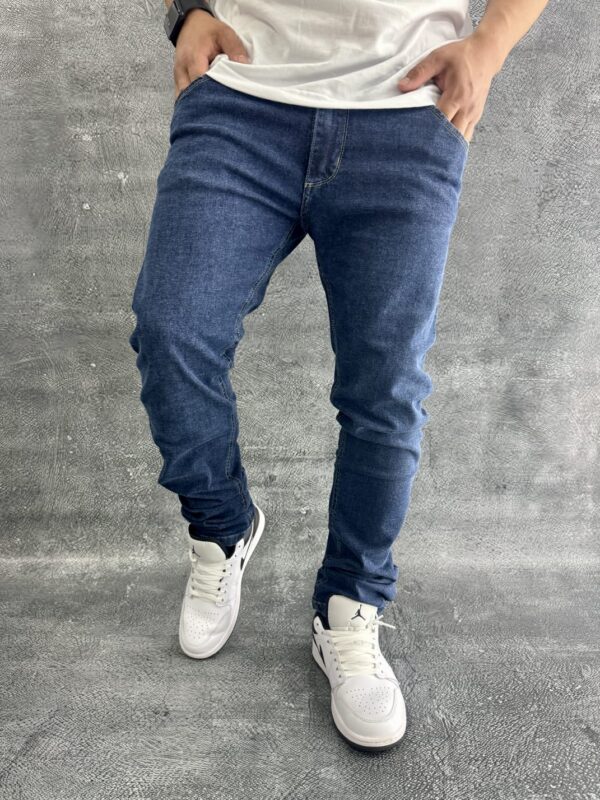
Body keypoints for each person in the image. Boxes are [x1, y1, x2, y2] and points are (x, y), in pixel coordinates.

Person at [129, 0, 549, 752]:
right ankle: (222, 527)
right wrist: (186, 11)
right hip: (242, 101)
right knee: (173, 329)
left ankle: (350, 608)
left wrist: (489, 45)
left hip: (404, 113)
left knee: (385, 389)